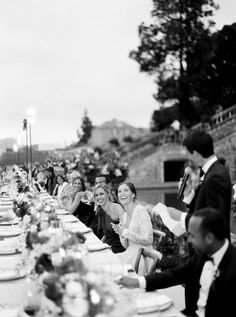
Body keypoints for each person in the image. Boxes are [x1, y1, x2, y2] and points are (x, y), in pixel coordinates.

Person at [117, 207, 236, 317]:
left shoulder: (232, 266)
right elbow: (176, 274)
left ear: (209, 238)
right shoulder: (204, 254)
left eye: (192, 236)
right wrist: (137, 282)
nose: (188, 240)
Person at [167, 131, 232, 231]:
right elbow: (204, 207)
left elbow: (215, 220)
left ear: (196, 153)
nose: (188, 158)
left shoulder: (217, 176)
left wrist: (182, 217)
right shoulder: (209, 171)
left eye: (189, 154)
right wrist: (188, 194)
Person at [112, 181, 153, 275]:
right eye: (119, 191)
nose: (122, 194)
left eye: (126, 190)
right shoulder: (125, 216)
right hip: (130, 252)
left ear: (133, 195)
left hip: (142, 255)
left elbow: (148, 239)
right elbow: (127, 246)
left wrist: (125, 232)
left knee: (114, 269)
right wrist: (120, 234)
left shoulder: (140, 210)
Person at [93, 183, 125, 253]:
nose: (99, 197)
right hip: (108, 245)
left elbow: (127, 229)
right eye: (96, 195)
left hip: (120, 247)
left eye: (101, 194)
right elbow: (107, 233)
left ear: (108, 193)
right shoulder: (100, 211)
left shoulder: (117, 208)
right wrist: (99, 244)